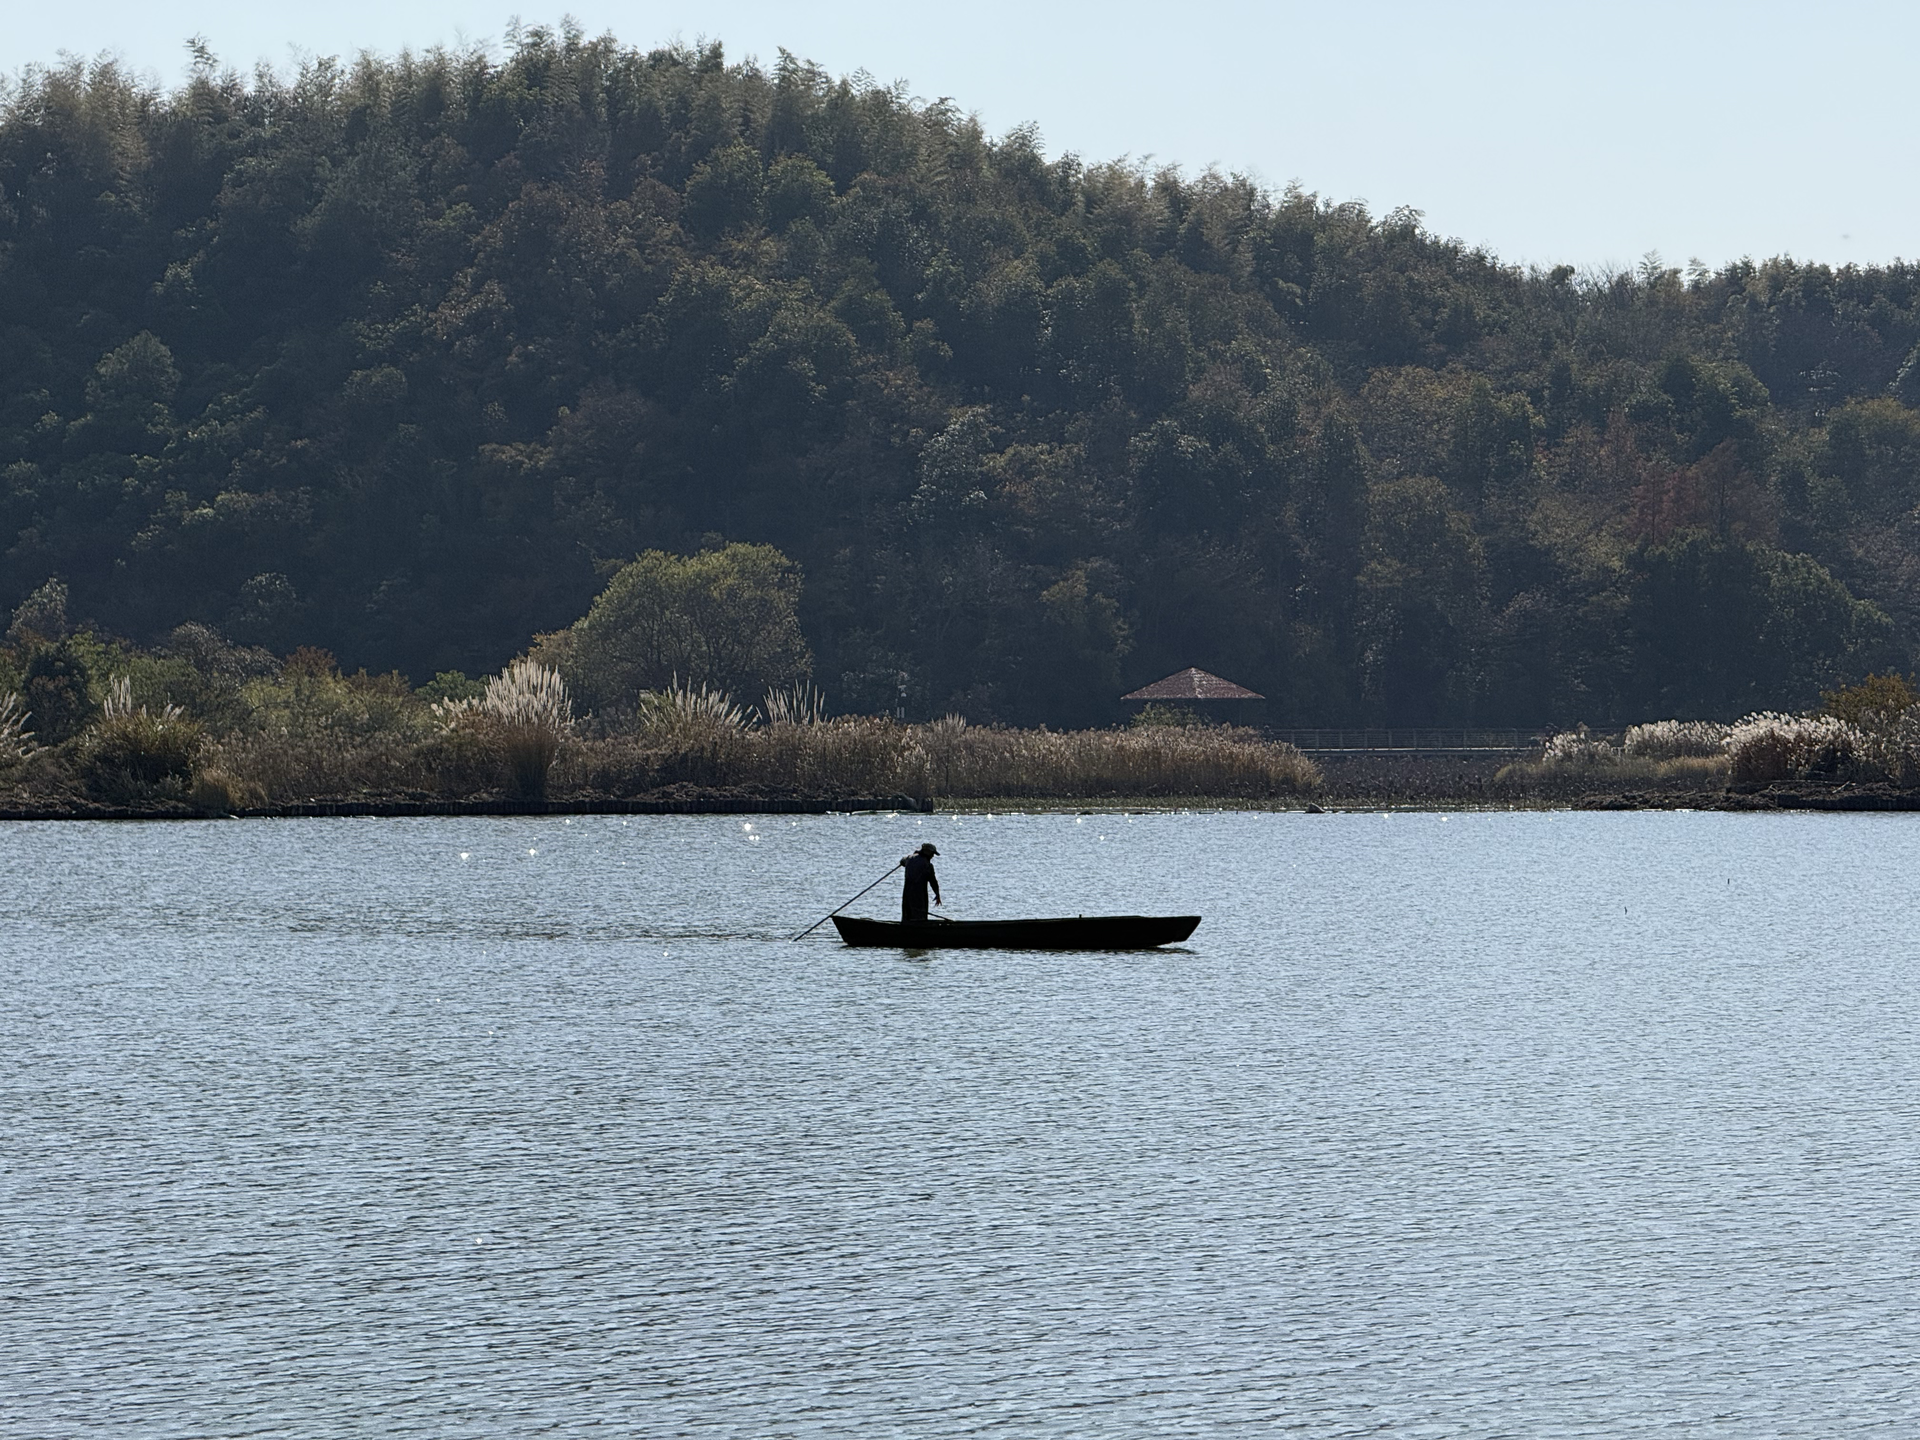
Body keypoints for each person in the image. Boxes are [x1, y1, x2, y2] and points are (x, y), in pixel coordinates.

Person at [901, 842, 941, 923]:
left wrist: (913, 855)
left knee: (907, 916)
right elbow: (933, 882)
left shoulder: (909, 859)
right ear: (928, 853)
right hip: (919, 896)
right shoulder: (928, 866)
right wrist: (937, 894)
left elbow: (902, 861)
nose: (932, 856)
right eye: (932, 854)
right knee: (919, 917)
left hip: (907, 895)